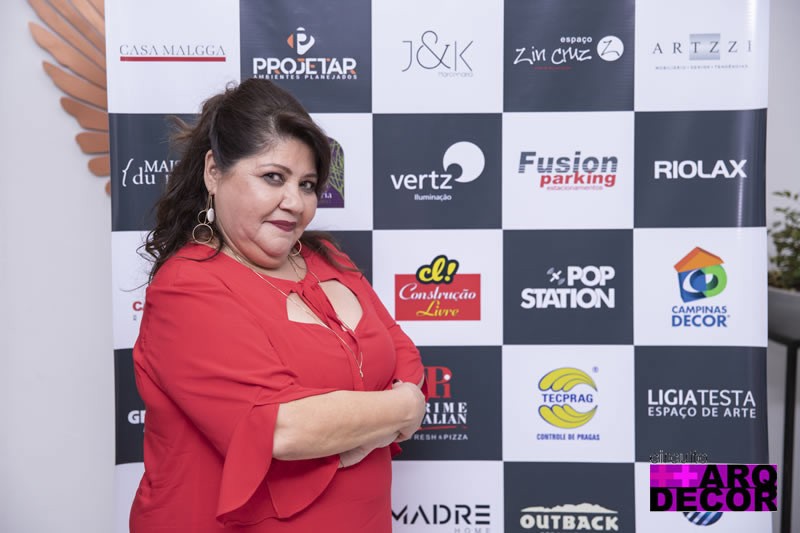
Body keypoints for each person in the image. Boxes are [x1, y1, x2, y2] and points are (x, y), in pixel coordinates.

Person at [129, 78, 427, 532]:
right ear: (214, 172)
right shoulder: (185, 287)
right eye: (273, 177)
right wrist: (402, 410)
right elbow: (283, 428)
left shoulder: (327, 258)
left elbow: (403, 356)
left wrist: (349, 432)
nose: (295, 202)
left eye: (307, 185)